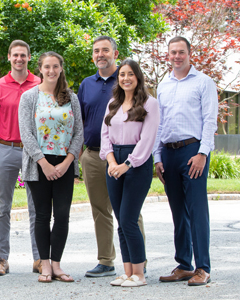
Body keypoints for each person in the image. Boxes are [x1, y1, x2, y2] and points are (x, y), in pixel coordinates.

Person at [77, 36, 147, 277]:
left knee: (130, 211)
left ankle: (139, 262)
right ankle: (106, 260)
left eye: (105, 50)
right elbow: (81, 121)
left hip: (125, 157)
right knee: (100, 209)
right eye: (96, 51)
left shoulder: (127, 81)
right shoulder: (86, 84)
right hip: (94, 155)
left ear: (115, 54)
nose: (100, 55)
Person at [153, 36, 218, 286]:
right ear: (167, 55)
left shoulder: (204, 83)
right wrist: (158, 157)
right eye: (173, 52)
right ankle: (183, 265)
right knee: (178, 212)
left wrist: (203, 154)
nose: (177, 56)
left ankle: (203, 267)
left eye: (181, 52)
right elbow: (160, 124)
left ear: (190, 54)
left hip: (193, 152)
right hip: (169, 154)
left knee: (197, 211)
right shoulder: (163, 85)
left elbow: (210, 121)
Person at [19, 51, 84, 283]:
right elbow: (25, 133)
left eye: (55, 66)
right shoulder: (29, 97)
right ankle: (44, 265)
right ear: (40, 69)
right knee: (42, 215)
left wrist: (68, 162)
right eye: (47, 67)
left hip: (64, 162)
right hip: (39, 164)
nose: (51, 71)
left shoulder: (71, 98)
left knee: (63, 215)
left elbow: (79, 133)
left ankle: (56, 264)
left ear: (61, 68)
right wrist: (43, 163)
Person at [100, 59, 159, 287]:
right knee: (120, 221)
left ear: (138, 77)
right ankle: (127, 272)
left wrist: (127, 163)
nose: (125, 78)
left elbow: (147, 140)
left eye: (130, 74)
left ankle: (140, 275)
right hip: (113, 162)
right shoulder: (113, 103)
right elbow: (105, 135)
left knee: (129, 219)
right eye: (122, 74)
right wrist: (112, 161)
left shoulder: (149, 104)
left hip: (137, 163)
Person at [0, 40, 41, 276]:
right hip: (5, 149)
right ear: (9, 57)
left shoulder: (40, 84)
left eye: (23, 55)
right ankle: (1, 259)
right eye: (15, 55)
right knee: (2, 208)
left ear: (29, 58)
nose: (19, 58)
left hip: (33, 152)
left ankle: (40, 258)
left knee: (36, 207)